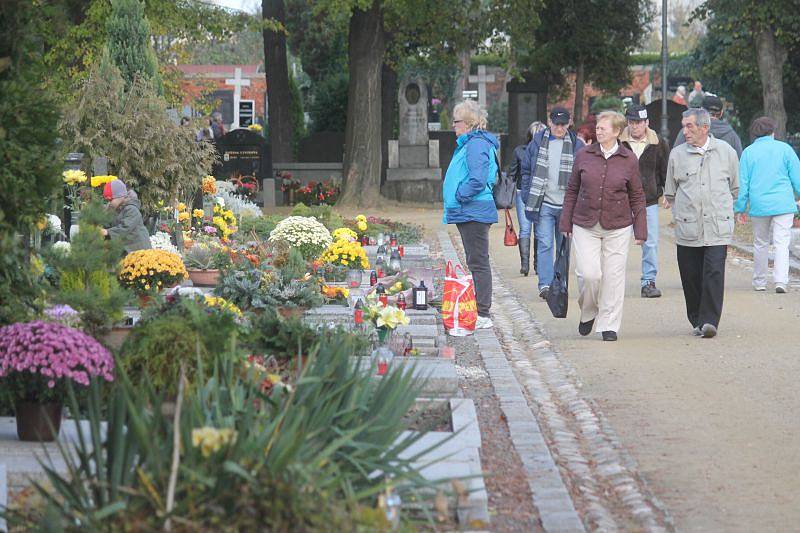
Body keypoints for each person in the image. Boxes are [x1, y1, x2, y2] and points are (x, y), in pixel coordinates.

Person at [559, 111, 647, 342]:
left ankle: (609, 324)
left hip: (618, 225)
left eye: (603, 128)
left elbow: (637, 196)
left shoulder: (629, 159)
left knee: (614, 277)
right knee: (589, 274)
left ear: (617, 132)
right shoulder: (583, 155)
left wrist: (641, 229)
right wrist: (565, 221)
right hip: (585, 223)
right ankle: (588, 310)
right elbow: (572, 190)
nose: (598, 131)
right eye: (597, 128)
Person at [664, 108, 739, 339]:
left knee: (714, 272)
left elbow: (734, 188)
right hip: (688, 226)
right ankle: (696, 317)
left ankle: (709, 321)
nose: (685, 130)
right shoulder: (677, 155)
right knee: (691, 276)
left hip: (717, 227)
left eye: (690, 126)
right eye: (683, 126)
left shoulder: (726, 152)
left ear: (705, 128)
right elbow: (670, 193)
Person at [443, 100, 499, 330]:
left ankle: (483, 312)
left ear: (467, 123)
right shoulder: (472, 142)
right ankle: (479, 308)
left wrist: (460, 194)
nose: (453, 126)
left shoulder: (476, 144)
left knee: (478, 261)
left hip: (473, 209)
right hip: (470, 209)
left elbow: (478, 178)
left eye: (456, 121)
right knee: (475, 260)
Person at [520, 106, 585, 300]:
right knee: (545, 244)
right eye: (556, 123)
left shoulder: (576, 144)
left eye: (563, 124)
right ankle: (546, 285)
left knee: (563, 247)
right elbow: (525, 170)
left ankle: (560, 283)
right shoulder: (538, 142)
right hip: (544, 203)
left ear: (569, 123)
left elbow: (584, 173)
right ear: (549, 122)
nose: (559, 127)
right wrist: (527, 196)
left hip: (567, 204)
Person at [734, 116, 800, 293]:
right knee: (781, 242)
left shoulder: (748, 152)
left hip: (759, 204)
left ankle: (760, 281)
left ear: (754, 133)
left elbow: (743, 183)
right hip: (783, 203)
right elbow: (797, 178)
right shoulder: (785, 149)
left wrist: (740, 208)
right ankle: (781, 281)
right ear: (773, 131)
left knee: (760, 243)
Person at [619, 104, 670, 298]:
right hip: (621, 199)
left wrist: (667, 192)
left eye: (639, 122)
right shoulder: (618, 142)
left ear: (646, 122)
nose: (635, 126)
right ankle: (612, 281)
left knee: (650, 242)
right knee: (617, 243)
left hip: (648, 199)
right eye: (631, 122)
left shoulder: (658, 143)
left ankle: (648, 281)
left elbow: (665, 169)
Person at [508, 121, 546, 276]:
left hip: (525, 191)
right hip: (527, 192)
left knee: (528, 229)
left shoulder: (519, 151)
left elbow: (511, 173)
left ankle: (528, 265)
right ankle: (532, 264)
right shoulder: (544, 151)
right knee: (533, 229)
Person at [674, 95, 742, 157]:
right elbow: (738, 162)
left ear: (701, 110)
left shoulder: (687, 131)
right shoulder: (732, 135)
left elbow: (675, 156)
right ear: (721, 113)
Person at [100, 179, 151, 254]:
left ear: (121, 196)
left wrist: (107, 232)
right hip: (126, 249)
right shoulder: (115, 208)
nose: (109, 203)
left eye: (111, 200)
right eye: (107, 201)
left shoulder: (132, 209)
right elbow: (109, 223)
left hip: (139, 250)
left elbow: (125, 228)